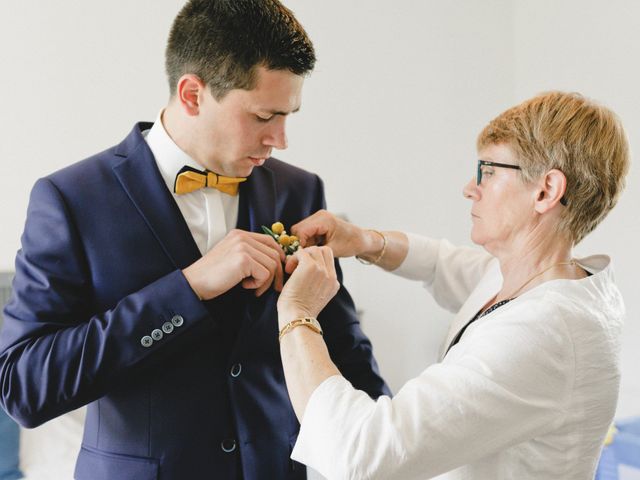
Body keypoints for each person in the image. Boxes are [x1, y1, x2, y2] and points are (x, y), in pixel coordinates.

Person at [0, 1, 390, 479]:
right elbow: (25, 386)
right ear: (191, 94)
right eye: (264, 116)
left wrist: (396, 453)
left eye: (289, 115)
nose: (281, 139)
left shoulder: (299, 191)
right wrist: (187, 289)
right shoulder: (72, 199)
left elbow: (346, 350)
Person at [276, 91, 630, 479]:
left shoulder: (544, 333)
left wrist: (297, 313)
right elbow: (440, 263)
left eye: (488, 171)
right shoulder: (534, 275)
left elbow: (359, 453)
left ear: (546, 191)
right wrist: (364, 240)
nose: (469, 187)